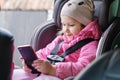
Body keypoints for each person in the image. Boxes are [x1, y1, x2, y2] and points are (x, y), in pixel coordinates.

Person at [12, 0, 101, 80]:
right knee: (14, 74)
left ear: (84, 25)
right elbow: (44, 53)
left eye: (71, 25)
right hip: (45, 73)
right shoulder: (60, 40)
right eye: (64, 25)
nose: (66, 30)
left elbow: (84, 68)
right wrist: (33, 63)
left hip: (64, 77)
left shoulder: (90, 45)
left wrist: (53, 69)